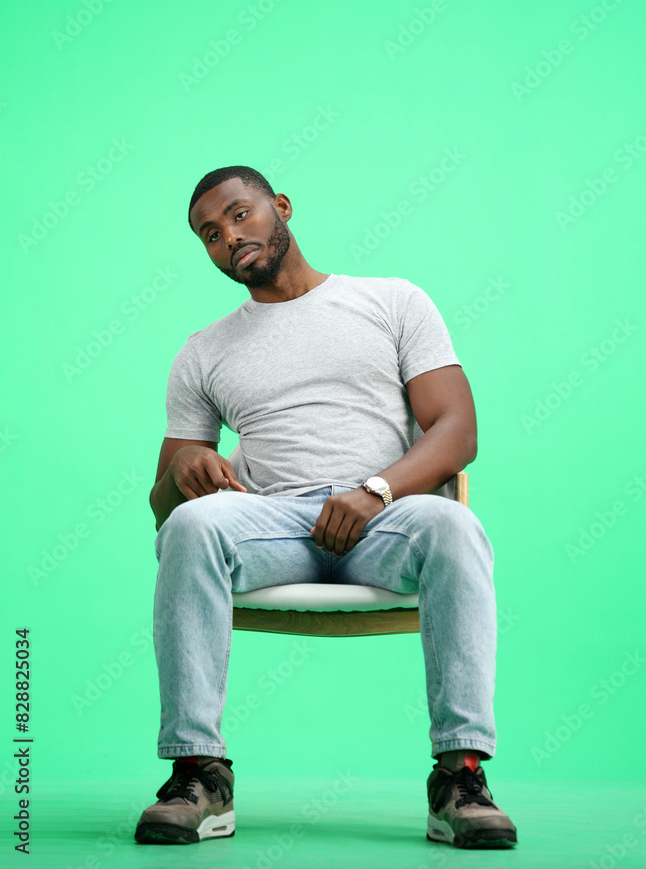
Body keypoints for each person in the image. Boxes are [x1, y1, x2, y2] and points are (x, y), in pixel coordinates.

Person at [134, 165, 518, 850]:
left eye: (241, 214)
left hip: (386, 516)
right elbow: (164, 503)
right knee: (192, 524)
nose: (230, 238)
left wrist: (375, 491)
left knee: (455, 524)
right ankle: (198, 772)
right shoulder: (203, 351)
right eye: (210, 234)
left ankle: (459, 775)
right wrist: (183, 471)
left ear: (280, 207)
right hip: (271, 521)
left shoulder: (391, 301)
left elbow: (457, 430)